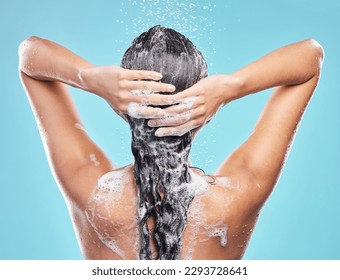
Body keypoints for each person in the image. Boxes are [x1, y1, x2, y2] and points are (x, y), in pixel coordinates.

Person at [18, 25, 324, 260]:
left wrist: (90, 77)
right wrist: (231, 87)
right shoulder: (237, 196)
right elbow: (311, 58)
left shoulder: (90, 191)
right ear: (206, 114)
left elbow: (29, 57)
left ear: (123, 108)